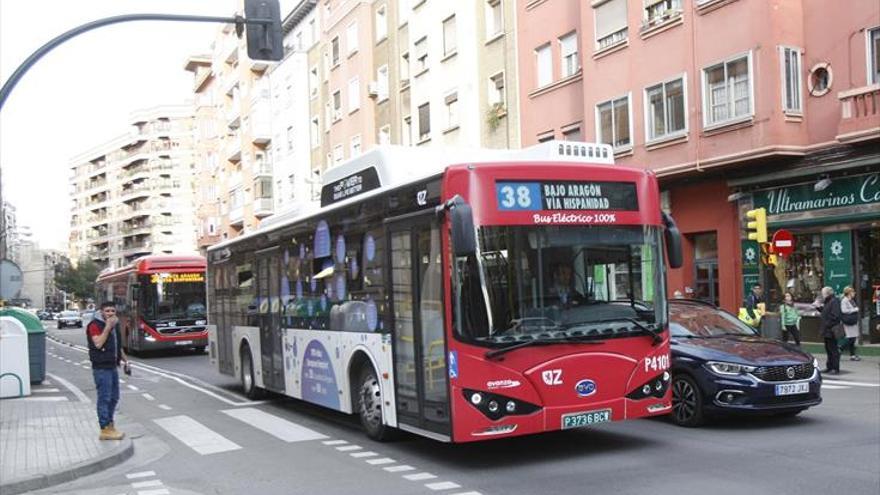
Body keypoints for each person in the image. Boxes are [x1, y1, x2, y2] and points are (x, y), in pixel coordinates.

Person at [86, 301, 128, 440]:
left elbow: (118, 345)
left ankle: (110, 424)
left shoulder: (114, 326)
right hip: (101, 367)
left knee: (114, 397)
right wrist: (108, 328)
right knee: (104, 398)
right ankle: (104, 428)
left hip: (112, 365)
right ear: (101, 312)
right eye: (107, 311)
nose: (110, 313)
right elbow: (98, 344)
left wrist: (125, 360)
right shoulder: (94, 326)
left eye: (113, 311)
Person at [816, 286, 842, 375]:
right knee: (828, 348)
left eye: (823, 293)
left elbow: (835, 316)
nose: (822, 295)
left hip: (831, 330)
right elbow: (826, 312)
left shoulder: (834, 301)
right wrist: (819, 308)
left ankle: (835, 368)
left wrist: (827, 324)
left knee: (833, 349)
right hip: (827, 330)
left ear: (827, 293)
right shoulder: (828, 301)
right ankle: (829, 366)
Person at [840, 286, 861, 361]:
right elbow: (844, 310)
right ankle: (840, 348)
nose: (854, 293)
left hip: (853, 320)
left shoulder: (851, 300)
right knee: (850, 338)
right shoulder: (844, 300)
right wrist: (854, 309)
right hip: (848, 321)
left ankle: (852, 355)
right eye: (853, 292)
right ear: (849, 293)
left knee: (853, 337)